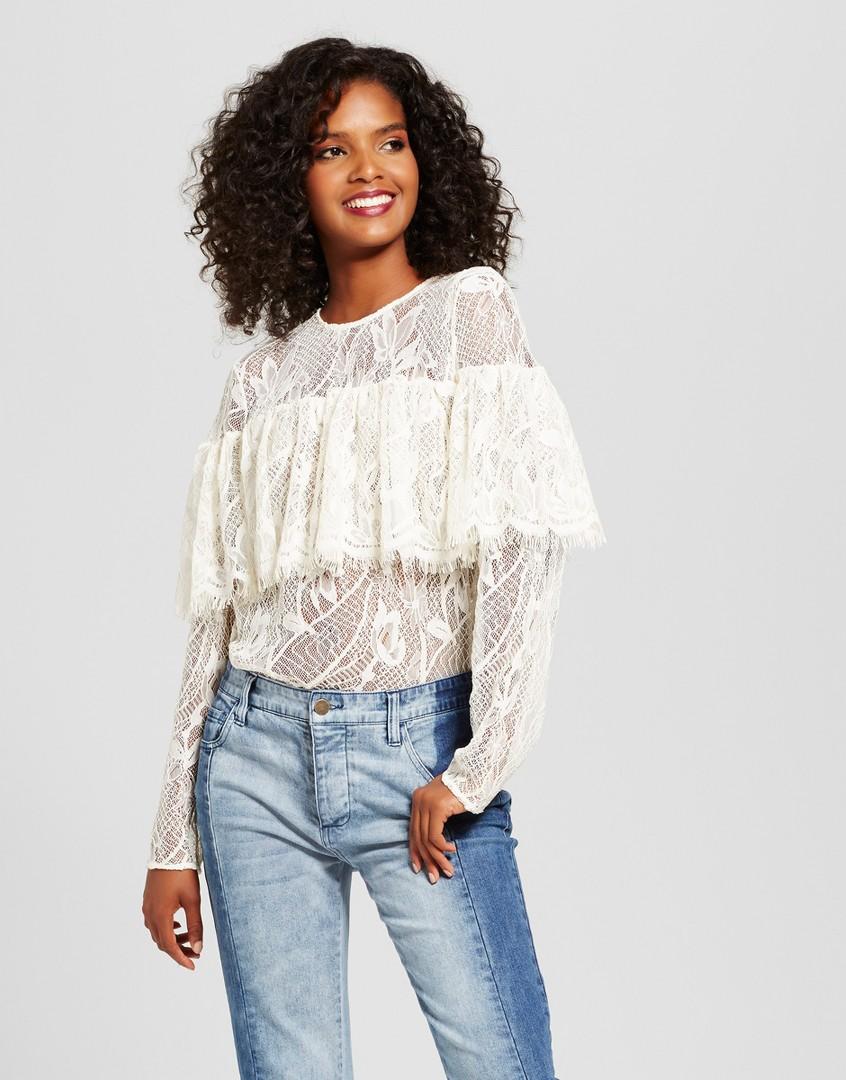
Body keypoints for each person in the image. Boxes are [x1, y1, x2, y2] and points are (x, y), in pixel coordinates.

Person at [141, 37, 605, 1080]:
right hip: (251, 764)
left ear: (426, 158)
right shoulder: (262, 382)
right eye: (332, 149)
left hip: (415, 752)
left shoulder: (468, 313)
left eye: (390, 142)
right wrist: (173, 837)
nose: (368, 170)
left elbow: (521, 550)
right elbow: (217, 621)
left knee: (502, 1061)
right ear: (287, 182)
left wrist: (478, 765)